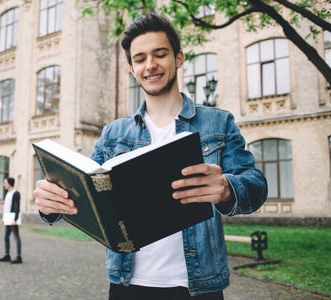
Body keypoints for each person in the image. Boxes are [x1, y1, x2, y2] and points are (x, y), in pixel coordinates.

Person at [33, 13, 267, 299]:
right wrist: (51, 204)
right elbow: (88, 196)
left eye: (160, 54)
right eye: (140, 58)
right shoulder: (113, 134)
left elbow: (256, 185)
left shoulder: (218, 123)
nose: (150, 65)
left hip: (199, 287)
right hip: (127, 285)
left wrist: (228, 188)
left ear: (178, 58)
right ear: (132, 68)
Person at [0, 177, 22, 264]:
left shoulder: (16, 193)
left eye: (5, 183)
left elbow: (17, 207)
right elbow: (6, 207)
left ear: (9, 183)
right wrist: (3, 218)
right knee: (6, 237)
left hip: (12, 219)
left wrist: (15, 219)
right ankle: (7, 255)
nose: (4, 184)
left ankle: (18, 257)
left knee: (16, 237)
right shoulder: (7, 193)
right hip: (7, 219)